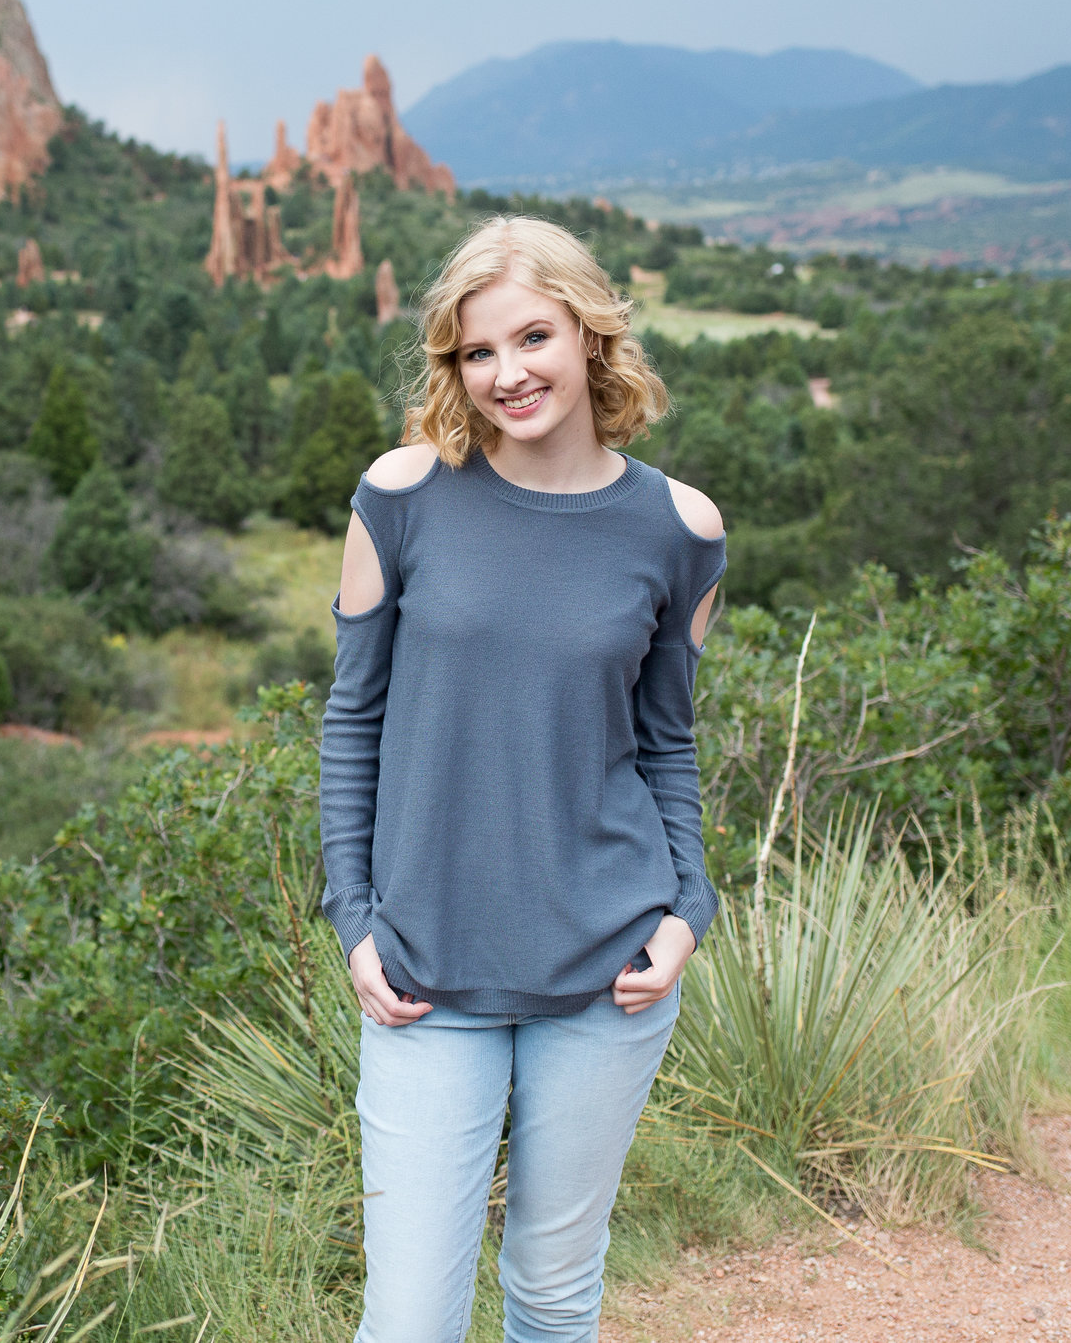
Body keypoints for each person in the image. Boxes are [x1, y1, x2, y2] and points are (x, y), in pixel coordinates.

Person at [319, 214, 726, 1343]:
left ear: (591, 332)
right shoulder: (399, 497)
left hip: (607, 968)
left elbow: (665, 744)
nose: (508, 373)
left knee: (551, 1297)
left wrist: (688, 909)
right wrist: (352, 915)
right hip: (421, 973)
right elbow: (352, 719)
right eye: (476, 351)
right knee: (408, 1322)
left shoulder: (679, 528)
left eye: (532, 336)